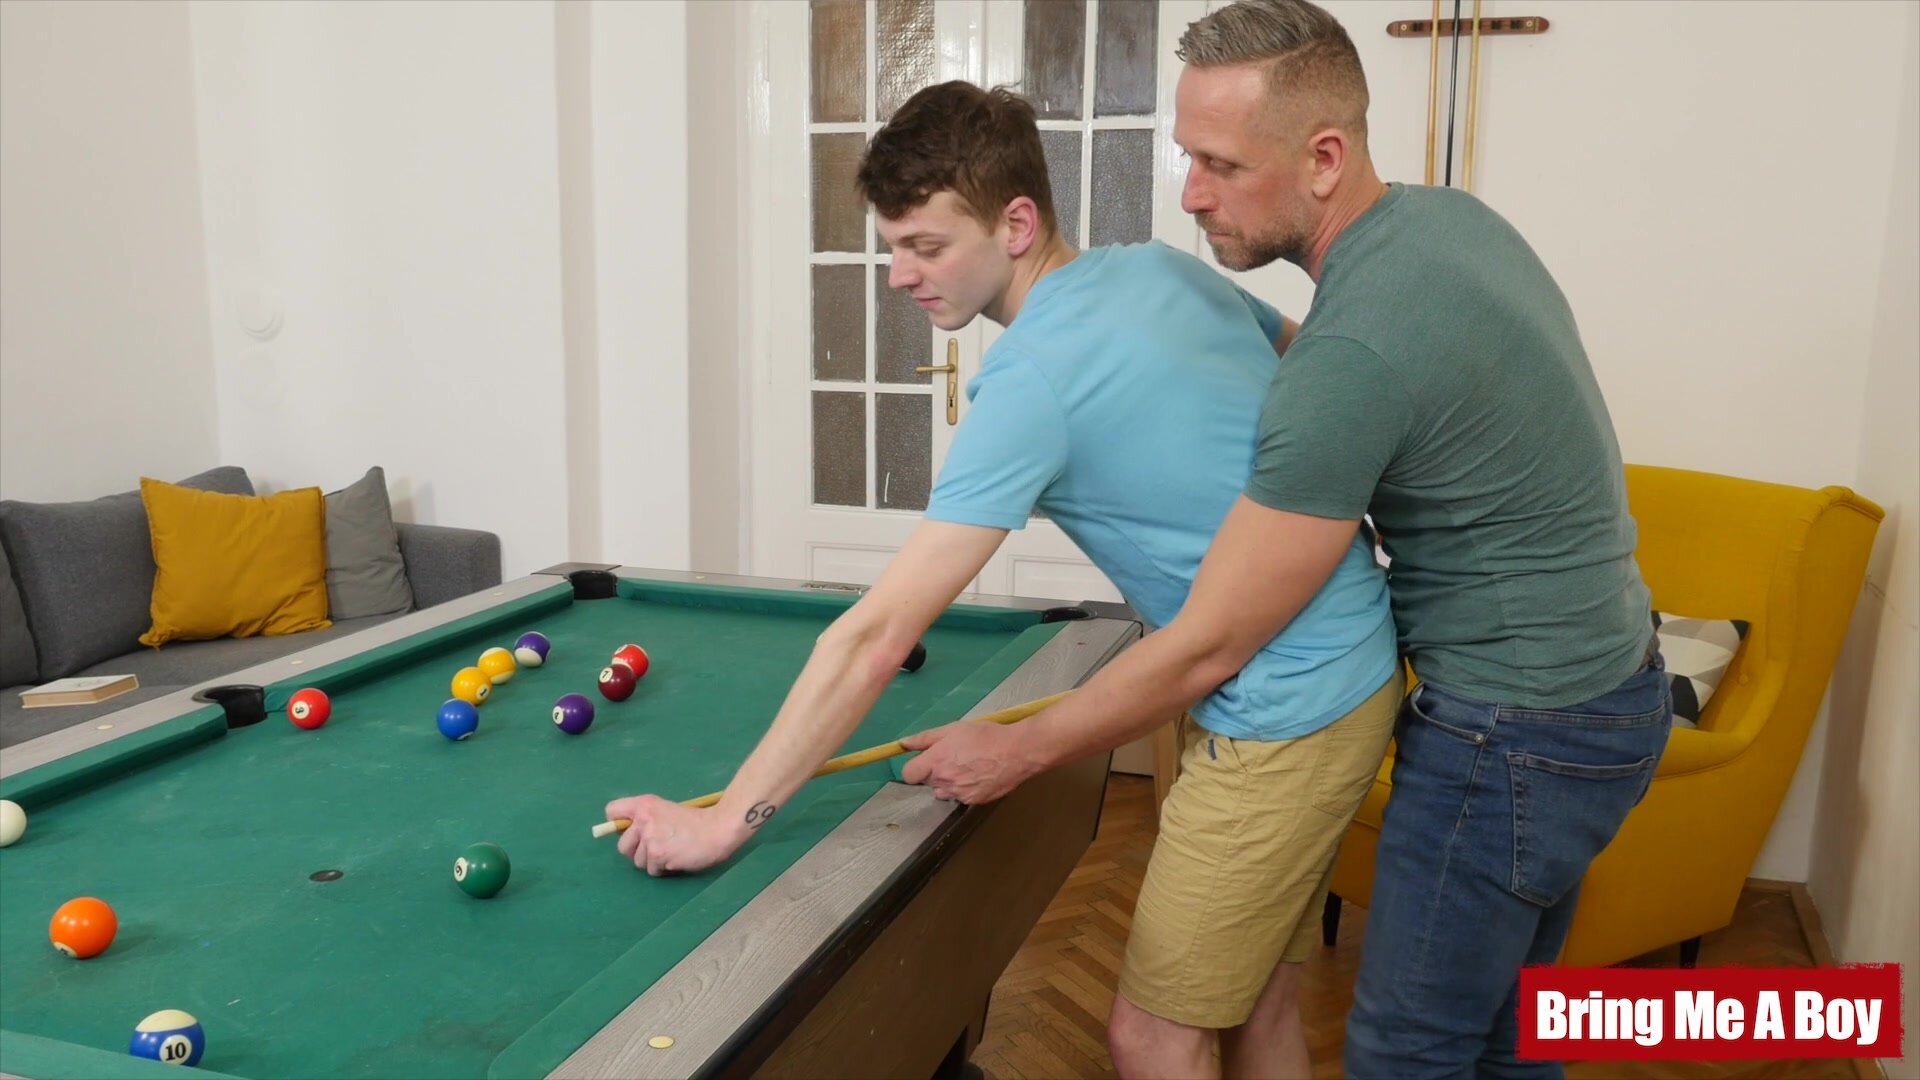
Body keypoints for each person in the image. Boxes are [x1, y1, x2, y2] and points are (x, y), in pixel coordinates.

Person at [904, 2, 1676, 1077]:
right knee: (1507, 1035)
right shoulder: (1447, 224)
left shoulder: (1347, 359)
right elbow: (1377, 395)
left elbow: (1214, 644)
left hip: (1516, 727)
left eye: (1221, 164)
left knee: (1409, 1049)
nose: (1191, 193)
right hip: (1617, 685)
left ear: (1324, 158)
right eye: (1189, 156)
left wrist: (1021, 747)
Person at [602, 79, 1403, 1080]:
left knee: (1153, 1034)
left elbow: (874, 636)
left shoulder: (1031, 383)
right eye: (891, 245)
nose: (899, 274)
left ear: (1016, 225)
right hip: (1341, 660)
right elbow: (1310, 362)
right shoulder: (1159, 268)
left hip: (1288, 706)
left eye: (925, 246)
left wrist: (727, 820)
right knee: (1259, 1003)